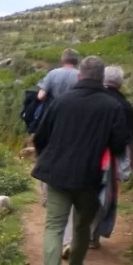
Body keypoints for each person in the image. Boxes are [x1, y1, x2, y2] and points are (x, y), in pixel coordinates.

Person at [31, 56, 131, 265]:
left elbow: (40, 136)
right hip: (90, 177)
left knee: (54, 227)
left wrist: (49, 156)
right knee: (82, 225)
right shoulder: (112, 106)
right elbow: (119, 143)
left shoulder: (61, 102)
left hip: (56, 174)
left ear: (80, 75)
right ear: (101, 77)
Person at [36, 49, 80, 204]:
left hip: (52, 121)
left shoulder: (52, 74)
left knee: (48, 155)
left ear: (63, 60)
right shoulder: (80, 76)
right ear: (76, 61)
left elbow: (40, 96)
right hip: (74, 122)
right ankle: (69, 191)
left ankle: (46, 195)